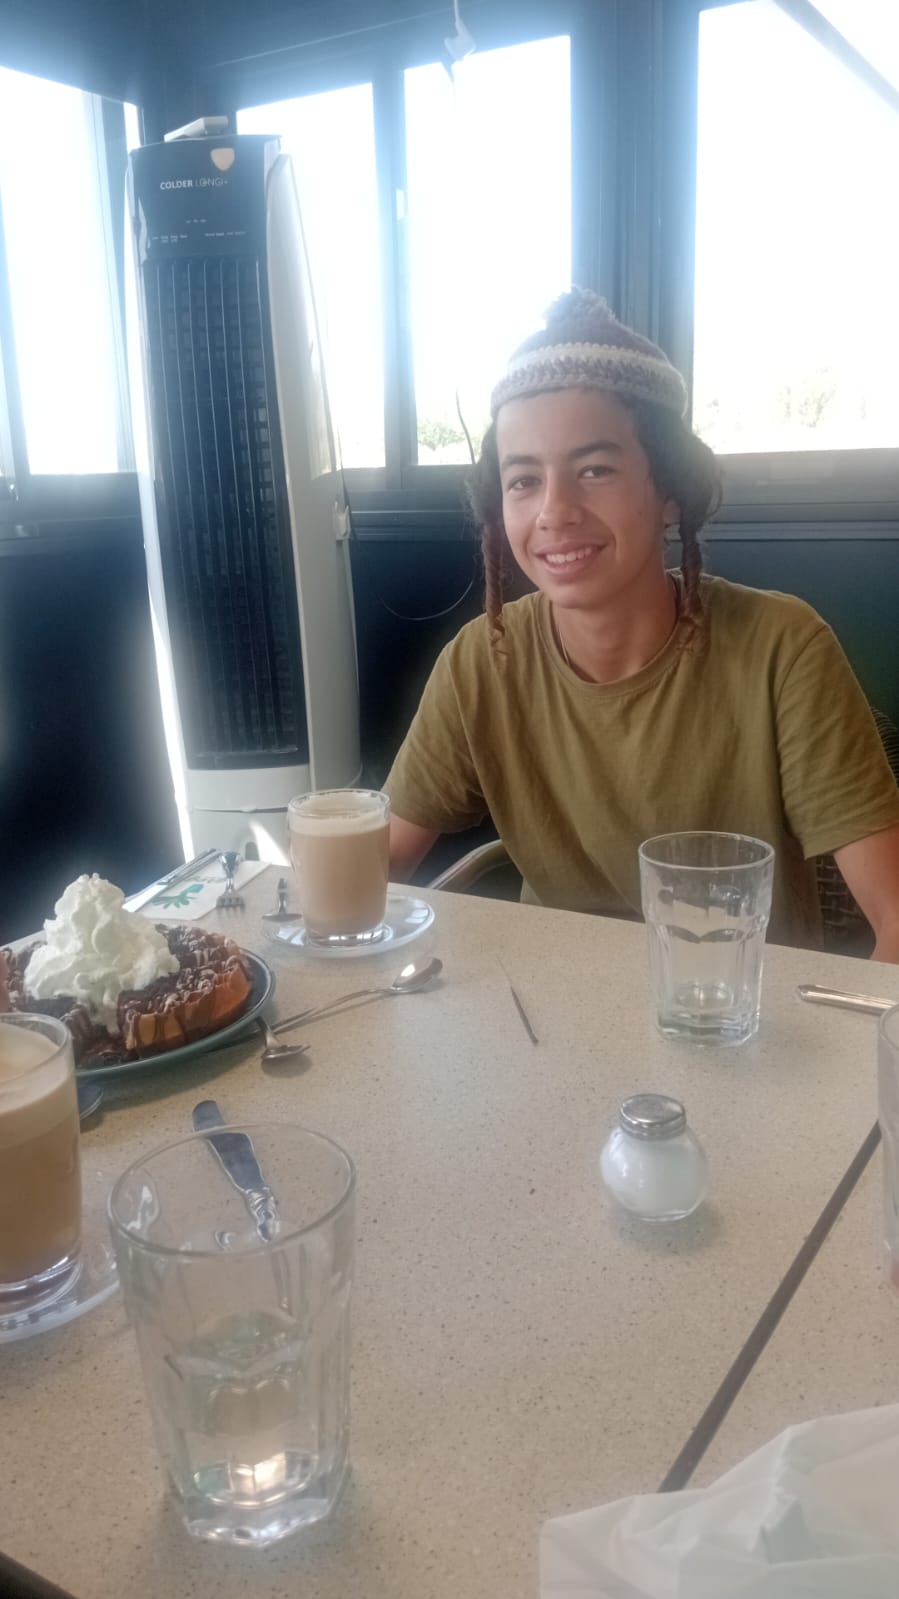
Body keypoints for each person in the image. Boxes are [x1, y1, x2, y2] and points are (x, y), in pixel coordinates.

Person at [385, 289, 899, 957]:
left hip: (743, 1006)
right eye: (523, 481)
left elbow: (894, 915)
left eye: (595, 469)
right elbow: (380, 859)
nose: (555, 511)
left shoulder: (782, 648)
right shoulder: (483, 657)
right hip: (548, 1002)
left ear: (670, 492)